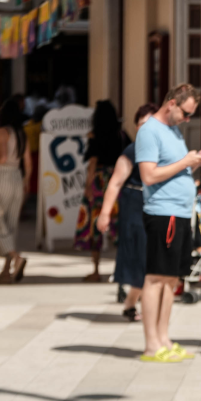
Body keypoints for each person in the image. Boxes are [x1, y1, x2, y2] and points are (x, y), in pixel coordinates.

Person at [135, 84, 201, 362]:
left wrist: (195, 163)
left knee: (170, 279)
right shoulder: (149, 131)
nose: (188, 119)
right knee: (156, 277)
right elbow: (149, 175)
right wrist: (186, 162)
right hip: (162, 213)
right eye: (186, 113)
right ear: (171, 104)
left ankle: (163, 337)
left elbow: (173, 167)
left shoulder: (173, 131)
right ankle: (151, 344)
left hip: (179, 212)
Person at [97, 103, 157, 322]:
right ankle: (132, 302)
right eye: (142, 124)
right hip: (134, 204)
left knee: (152, 259)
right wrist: (104, 213)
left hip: (157, 205)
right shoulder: (131, 151)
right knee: (139, 256)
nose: (146, 129)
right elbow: (114, 183)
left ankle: (132, 302)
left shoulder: (163, 149)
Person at [76, 100, 128, 282]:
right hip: (118, 180)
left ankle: (96, 270)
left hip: (99, 182)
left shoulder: (96, 136)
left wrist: (88, 186)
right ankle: (120, 268)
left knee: (95, 227)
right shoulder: (122, 135)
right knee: (119, 227)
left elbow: (92, 162)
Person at [0, 98, 30, 284]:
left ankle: (15, 257)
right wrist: (26, 180)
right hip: (17, 178)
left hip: (3, 176)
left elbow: (2, 157)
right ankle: (6, 271)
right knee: (11, 225)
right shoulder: (22, 134)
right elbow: (28, 162)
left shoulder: (2, 132)